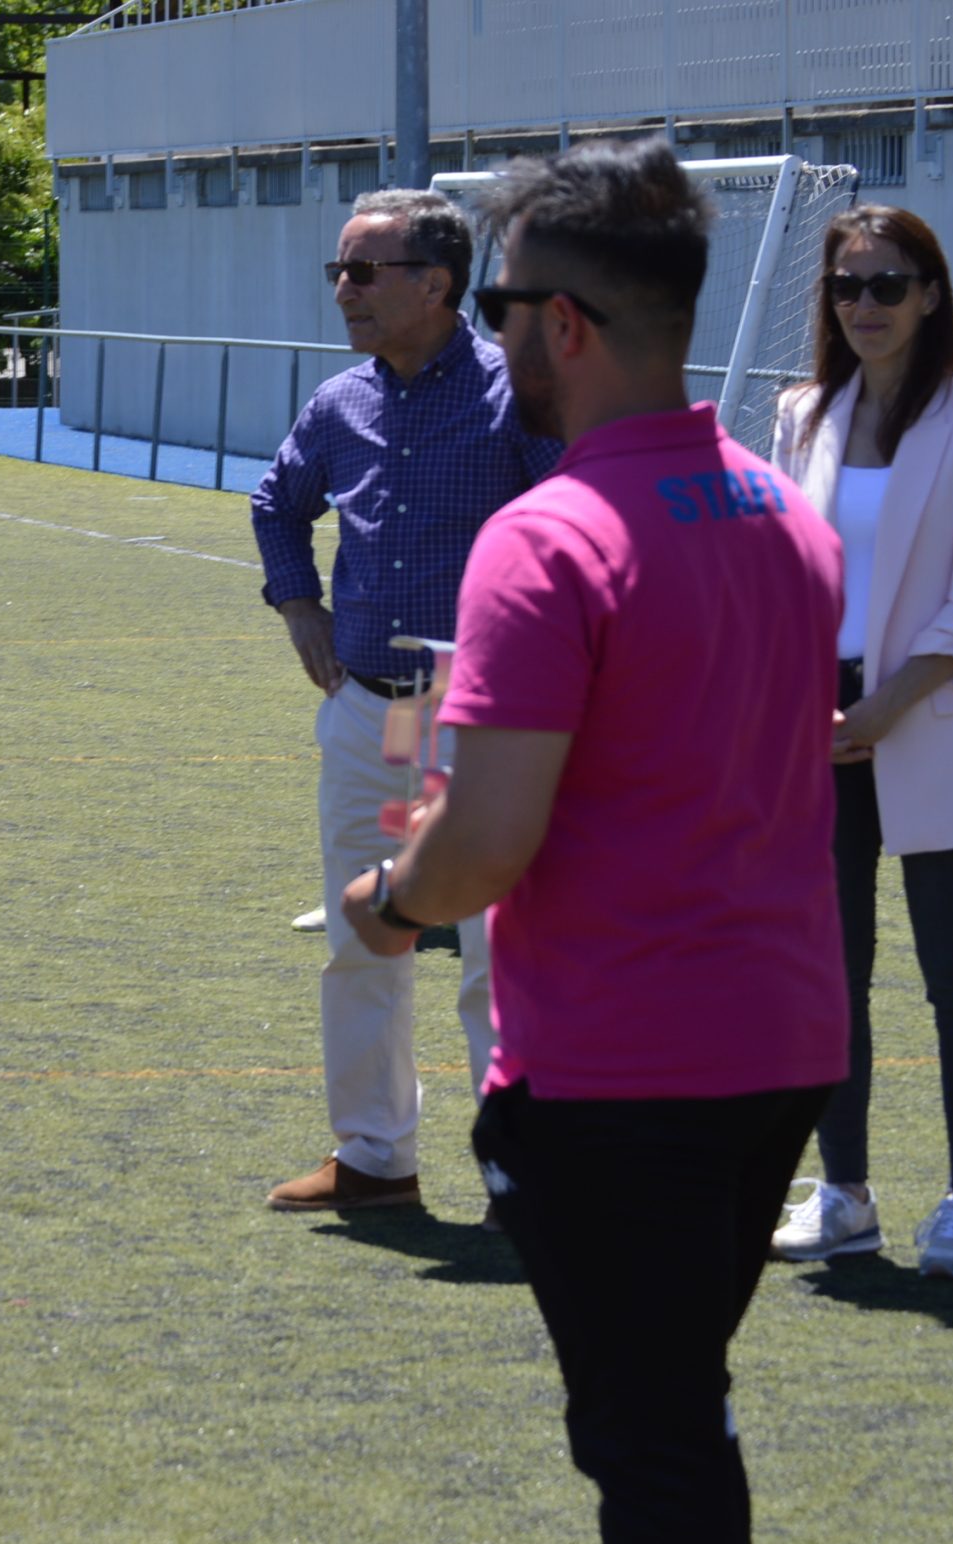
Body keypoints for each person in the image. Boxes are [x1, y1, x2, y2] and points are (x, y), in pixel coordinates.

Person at [344, 140, 845, 1544]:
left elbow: (484, 842)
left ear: (563, 324)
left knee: (647, 1435)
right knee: (669, 1406)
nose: (490, 345)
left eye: (496, 311)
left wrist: (387, 898)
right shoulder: (784, 509)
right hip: (783, 1042)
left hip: (629, 1064)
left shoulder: (548, 534)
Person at [251, 188, 560, 1212]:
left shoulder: (516, 393)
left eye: (362, 270)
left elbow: (577, 521)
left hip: (487, 716)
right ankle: (375, 1157)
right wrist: (297, 604)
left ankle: (521, 1166)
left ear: (436, 282)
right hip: (368, 713)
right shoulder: (338, 402)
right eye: (337, 270)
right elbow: (276, 501)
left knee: (496, 949)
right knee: (362, 938)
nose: (343, 289)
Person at [768, 205, 953, 1278]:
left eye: (888, 283)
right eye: (846, 285)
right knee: (830, 972)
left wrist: (877, 713)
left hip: (927, 717)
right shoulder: (801, 412)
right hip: (813, 726)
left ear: (930, 293)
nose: (865, 305)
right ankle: (844, 1193)